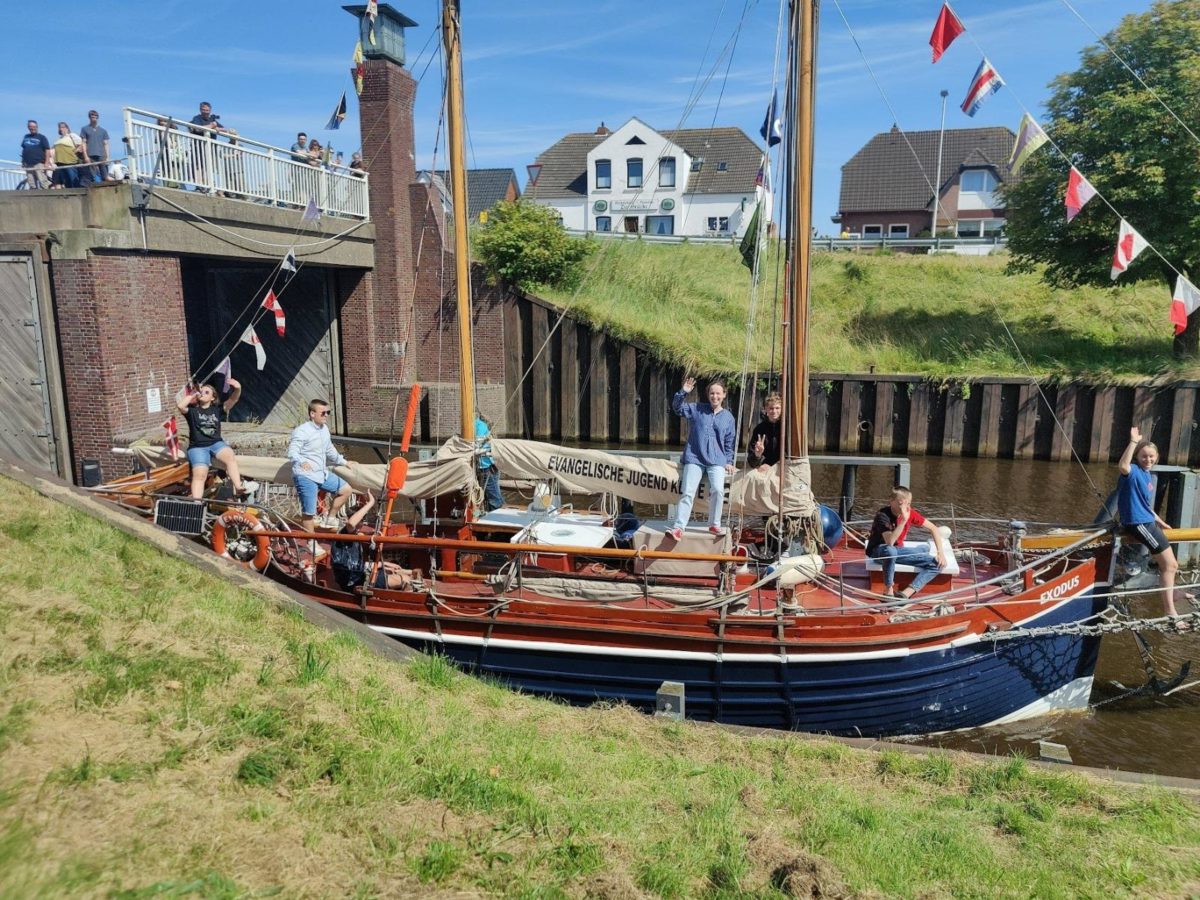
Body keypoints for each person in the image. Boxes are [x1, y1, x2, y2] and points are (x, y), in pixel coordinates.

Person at [1117, 427, 1182, 622]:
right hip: (1137, 524)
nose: (1148, 460)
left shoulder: (1146, 475)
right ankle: (1170, 611)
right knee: (1169, 565)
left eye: (1152, 457)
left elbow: (1145, 505)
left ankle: (1173, 594)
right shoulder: (1133, 471)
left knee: (1171, 565)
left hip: (1147, 521)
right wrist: (1134, 441)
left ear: (1157, 457)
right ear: (1137, 457)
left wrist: (1161, 521)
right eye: (1144, 456)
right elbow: (1122, 466)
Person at [667, 376, 736, 540]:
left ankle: (714, 524)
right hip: (695, 458)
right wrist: (683, 392)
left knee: (718, 490)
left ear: (724, 395)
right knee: (688, 492)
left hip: (716, 461)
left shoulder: (728, 418)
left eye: (718, 394)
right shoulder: (697, 409)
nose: (715, 397)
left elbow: (729, 442)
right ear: (708, 395)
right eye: (712, 393)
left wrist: (729, 461)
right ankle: (678, 528)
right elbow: (677, 408)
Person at [864, 486, 948, 599]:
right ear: (891, 501)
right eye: (901, 503)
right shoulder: (882, 515)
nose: (905, 507)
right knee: (891, 550)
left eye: (908, 504)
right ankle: (888, 589)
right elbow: (890, 542)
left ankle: (906, 593)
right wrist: (903, 520)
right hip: (879, 551)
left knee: (936, 564)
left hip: (898, 550)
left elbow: (933, 528)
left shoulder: (909, 512)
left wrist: (940, 553)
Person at [288, 398, 355, 531]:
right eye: (323, 413)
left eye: (328, 412)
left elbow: (329, 449)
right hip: (305, 476)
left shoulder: (324, 429)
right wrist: (302, 462)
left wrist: (345, 462)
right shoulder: (302, 431)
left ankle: (330, 519)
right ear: (312, 414)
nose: (326, 416)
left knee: (346, 490)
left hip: (321, 473)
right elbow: (292, 452)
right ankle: (311, 542)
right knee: (309, 513)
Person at [176, 379, 248, 500]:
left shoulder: (217, 410)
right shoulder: (193, 411)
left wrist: (238, 388)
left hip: (216, 443)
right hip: (198, 447)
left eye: (207, 392)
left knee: (229, 456)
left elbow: (233, 400)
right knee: (200, 475)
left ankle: (238, 486)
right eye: (202, 391)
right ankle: (197, 504)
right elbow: (180, 406)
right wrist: (193, 393)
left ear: (213, 398)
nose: (203, 393)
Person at [330, 491, 414, 592]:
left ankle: (408, 575)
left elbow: (356, 562)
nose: (364, 522)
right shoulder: (345, 533)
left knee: (399, 572)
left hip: (358, 574)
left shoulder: (354, 535)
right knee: (406, 580)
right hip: (354, 581)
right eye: (362, 519)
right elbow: (351, 524)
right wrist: (371, 503)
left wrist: (384, 564)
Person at [188, 102, 224, 188]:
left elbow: (224, 129)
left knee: (208, 167)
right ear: (200, 110)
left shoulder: (212, 119)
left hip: (210, 147)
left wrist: (216, 128)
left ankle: (207, 186)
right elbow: (198, 128)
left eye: (207, 110)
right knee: (198, 166)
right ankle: (199, 186)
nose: (205, 112)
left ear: (210, 110)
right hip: (199, 147)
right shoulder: (197, 118)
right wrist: (211, 126)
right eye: (204, 110)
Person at [747, 392, 783, 471]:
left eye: (777, 408)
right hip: (764, 469)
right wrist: (758, 455)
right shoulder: (759, 429)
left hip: (782, 469)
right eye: (771, 408)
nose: (774, 411)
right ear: (766, 409)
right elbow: (751, 461)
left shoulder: (787, 429)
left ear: (782, 409)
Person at [475, 414, 503, 512]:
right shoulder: (480, 426)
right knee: (490, 495)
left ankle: (496, 519)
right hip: (487, 466)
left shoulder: (479, 426)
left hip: (487, 467)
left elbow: (476, 445)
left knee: (493, 498)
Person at [79, 110, 110, 183]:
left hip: (101, 154)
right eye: (92, 117)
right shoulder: (84, 129)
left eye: (96, 117)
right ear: (89, 118)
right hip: (90, 154)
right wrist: (85, 156)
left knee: (105, 175)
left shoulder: (103, 131)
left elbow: (106, 144)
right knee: (91, 175)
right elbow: (83, 142)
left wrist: (108, 156)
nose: (94, 118)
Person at [50, 122, 83, 189]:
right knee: (66, 181)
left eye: (63, 127)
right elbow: (51, 150)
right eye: (60, 127)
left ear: (67, 128)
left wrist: (76, 151)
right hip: (60, 164)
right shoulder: (58, 139)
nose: (61, 129)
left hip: (70, 162)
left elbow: (81, 143)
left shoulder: (71, 135)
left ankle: (77, 194)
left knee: (73, 179)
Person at [20, 120, 51, 189]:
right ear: (28, 127)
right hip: (28, 164)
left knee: (43, 181)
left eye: (34, 126)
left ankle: (47, 196)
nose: (32, 128)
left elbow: (47, 150)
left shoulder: (42, 137)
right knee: (31, 183)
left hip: (39, 163)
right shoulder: (26, 137)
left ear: (37, 127)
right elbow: (24, 149)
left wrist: (47, 162)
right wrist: (23, 161)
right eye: (30, 126)